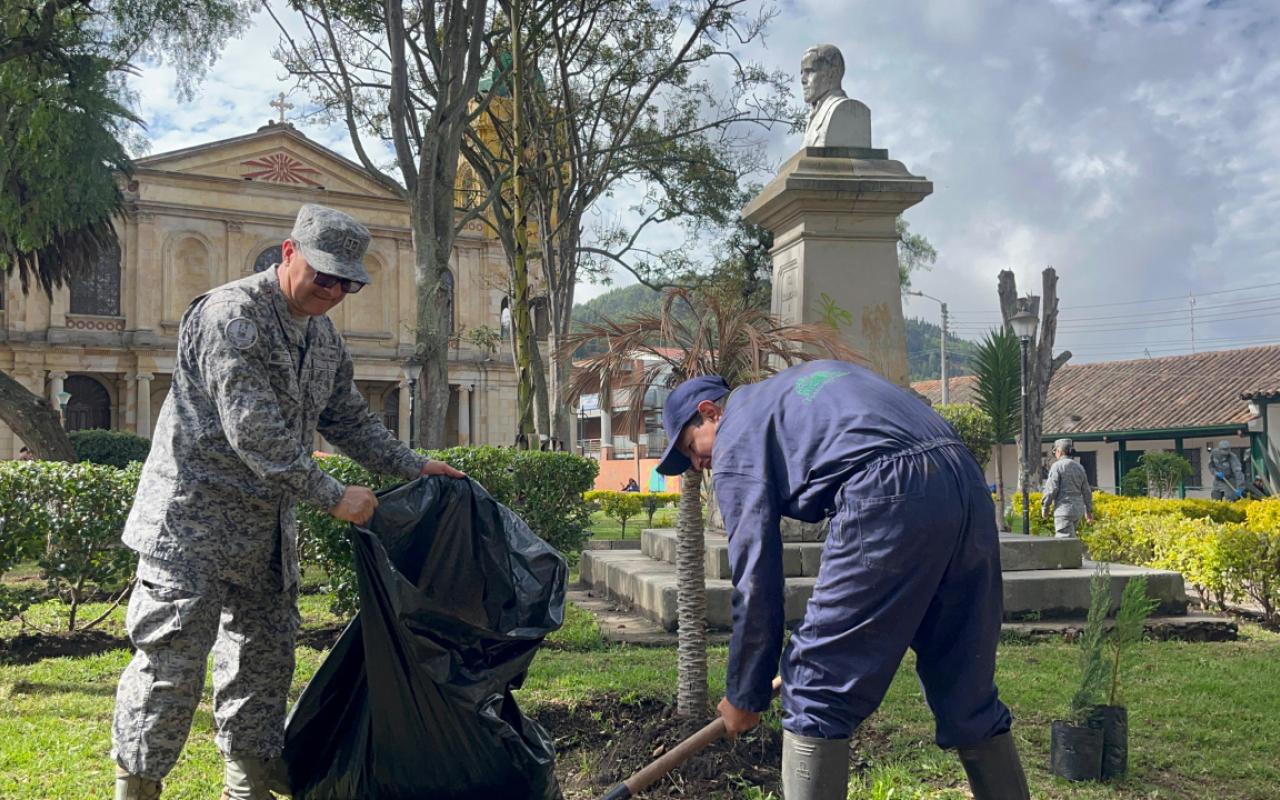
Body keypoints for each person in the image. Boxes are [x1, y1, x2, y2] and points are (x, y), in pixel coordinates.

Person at [111, 204, 464, 800]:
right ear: (288, 252)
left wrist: (413, 464)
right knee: (169, 667)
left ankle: (245, 785)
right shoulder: (231, 317)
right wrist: (332, 495)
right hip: (189, 526)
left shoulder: (321, 337)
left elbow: (348, 418)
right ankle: (137, 787)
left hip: (265, 534)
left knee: (263, 662)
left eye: (348, 282)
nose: (334, 290)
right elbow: (255, 431)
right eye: (324, 275)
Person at [654, 362, 1028, 800]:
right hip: (963, 478)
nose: (697, 465)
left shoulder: (736, 433)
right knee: (966, 688)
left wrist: (744, 694)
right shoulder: (798, 386)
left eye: (690, 448)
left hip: (887, 490)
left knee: (816, 689)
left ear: (709, 412)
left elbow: (756, 578)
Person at [1040, 439, 1094, 538]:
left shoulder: (1057, 466)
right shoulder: (1080, 467)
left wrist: (1045, 506)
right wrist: (1089, 511)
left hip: (1063, 509)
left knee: (1064, 542)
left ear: (1060, 451)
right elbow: (1086, 491)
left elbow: (1052, 489)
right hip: (1078, 510)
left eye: (1055, 451)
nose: (1055, 454)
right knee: (1071, 538)